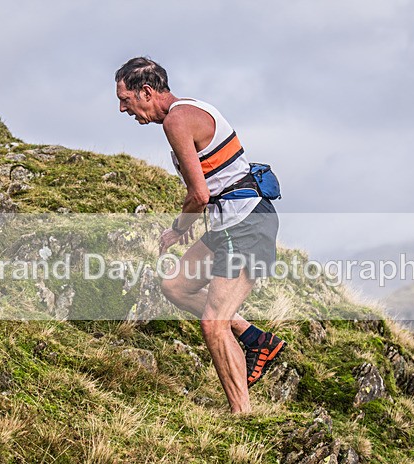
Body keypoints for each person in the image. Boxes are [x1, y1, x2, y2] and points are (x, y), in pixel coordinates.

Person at [115, 57, 286, 413]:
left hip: (247, 223)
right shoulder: (189, 110)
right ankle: (255, 339)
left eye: (126, 99)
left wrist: (177, 231)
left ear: (146, 92)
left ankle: (243, 416)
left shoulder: (177, 120)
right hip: (230, 225)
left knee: (213, 322)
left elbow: (199, 195)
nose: (122, 108)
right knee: (175, 285)